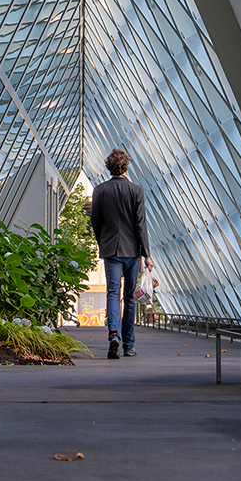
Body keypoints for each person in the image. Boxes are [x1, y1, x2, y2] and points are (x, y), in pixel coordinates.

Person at [90, 148, 150, 359]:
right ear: (126, 166)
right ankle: (129, 345)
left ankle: (113, 335)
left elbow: (95, 222)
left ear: (109, 167)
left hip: (111, 250)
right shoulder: (136, 191)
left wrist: (102, 242)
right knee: (130, 298)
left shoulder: (99, 191)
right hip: (132, 250)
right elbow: (140, 225)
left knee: (113, 294)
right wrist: (146, 254)